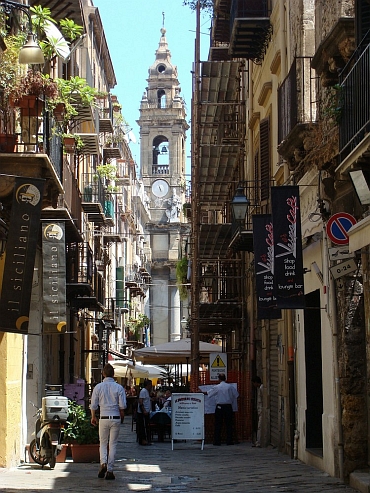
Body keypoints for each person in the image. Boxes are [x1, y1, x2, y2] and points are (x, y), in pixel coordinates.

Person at [90, 363, 127, 480]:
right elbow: (123, 406)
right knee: (113, 444)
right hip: (115, 417)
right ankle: (110, 470)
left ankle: (103, 463)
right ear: (114, 374)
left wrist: (93, 417)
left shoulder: (98, 387)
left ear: (103, 374)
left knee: (103, 443)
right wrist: (122, 415)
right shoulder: (119, 388)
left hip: (104, 417)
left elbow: (93, 405)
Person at [203, 373, 239, 446]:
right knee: (229, 424)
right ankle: (229, 441)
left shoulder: (217, 387)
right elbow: (237, 395)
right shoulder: (230, 387)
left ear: (219, 379)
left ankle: (217, 441)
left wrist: (200, 392)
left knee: (218, 424)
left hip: (219, 407)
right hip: (228, 407)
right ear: (225, 378)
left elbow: (208, 393)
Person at [136, 379, 152, 445]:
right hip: (142, 412)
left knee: (146, 426)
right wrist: (144, 410)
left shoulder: (147, 392)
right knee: (143, 426)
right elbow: (141, 401)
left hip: (146, 411)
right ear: (148, 385)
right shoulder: (143, 391)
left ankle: (146, 439)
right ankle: (143, 439)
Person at [252, 376, 263, 447]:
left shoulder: (262, 388)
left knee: (260, 426)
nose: (253, 385)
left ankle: (259, 442)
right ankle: (258, 441)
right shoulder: (259, 389)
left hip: (261, 411)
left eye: (253, 383)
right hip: (259, 411)